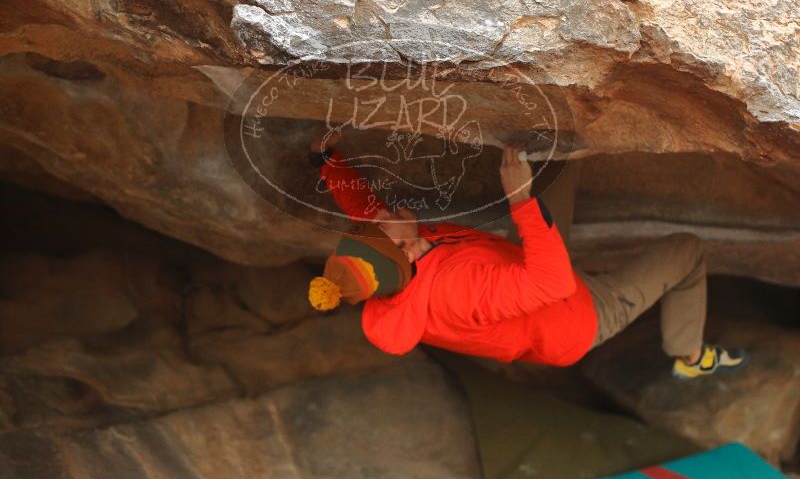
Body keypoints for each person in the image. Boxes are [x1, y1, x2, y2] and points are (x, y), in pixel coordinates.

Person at [306, 126, 748, 379]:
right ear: (401, 245)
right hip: (580, 315)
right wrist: (519, 199)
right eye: (381, 220)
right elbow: (551, 283)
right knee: (687, 251)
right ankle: (691, 357)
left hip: (524, 276)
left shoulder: (393, 261)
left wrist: (326, 159)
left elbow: (362, 208)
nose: (381, 209)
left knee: (556, 158)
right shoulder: (458, 290)